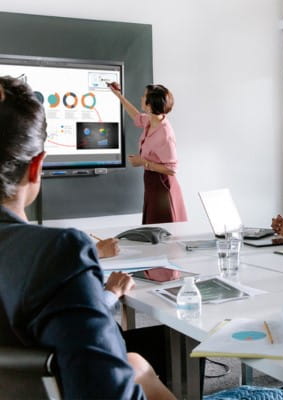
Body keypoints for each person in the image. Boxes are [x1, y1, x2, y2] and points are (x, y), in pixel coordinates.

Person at [0, 75, 175, 400]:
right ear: (37, 167)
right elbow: (107, 393)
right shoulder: (57, 253)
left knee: (136, 362)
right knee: (140, 367)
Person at [108, 82, 187, 224]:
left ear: (150, 105)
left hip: (162, 185)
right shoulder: (151, 120)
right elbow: (136, 116)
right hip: (152, 182)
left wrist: (143, 162)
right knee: (153, 229)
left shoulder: (164, 134)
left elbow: (172, 170)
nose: (141, 97)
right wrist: (119, 96)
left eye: (144, 96)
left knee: (161, 231)